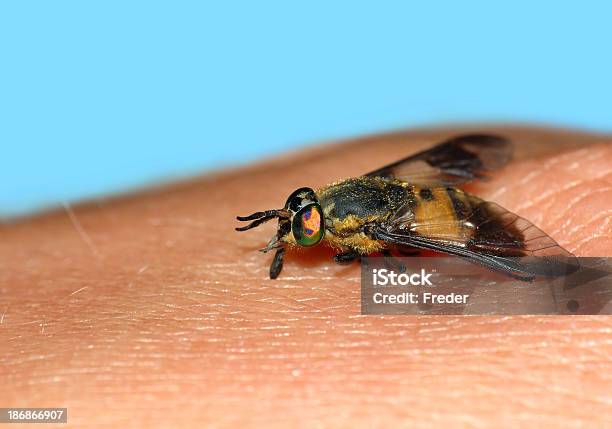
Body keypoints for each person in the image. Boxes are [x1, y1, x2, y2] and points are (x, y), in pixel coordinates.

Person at [1, 126, 611, 427]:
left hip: (441, 223)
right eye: (301, 219)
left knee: (505, 271)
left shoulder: (365, 229)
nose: (298, 228)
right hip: (407, 198)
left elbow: (385, 245)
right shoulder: (330, 202)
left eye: (305, 222)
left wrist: (532, 274)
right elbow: (458, 158)